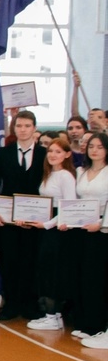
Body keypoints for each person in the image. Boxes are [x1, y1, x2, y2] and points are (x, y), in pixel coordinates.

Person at [0, 109, 45, 320]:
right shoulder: (4, 153)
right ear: (14, 128)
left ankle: (29, 304)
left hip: (36, 221)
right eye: (19, 126)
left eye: (27, 126)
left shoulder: (45, 154)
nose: (23, 130)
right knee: (9, 262)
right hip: (8, 220)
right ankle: (11, 304)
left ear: (34, 128)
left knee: (31, 262)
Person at [24, 137, 78, 332]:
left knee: (53, 271)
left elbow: (68, 206)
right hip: (46, 227)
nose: (53, 155)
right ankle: (50, 314)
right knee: (44, 269)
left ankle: (53, 315)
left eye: (58, 151)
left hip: (57, 230)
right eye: (50, 151)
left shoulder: (66, 176)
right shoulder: (49, 174)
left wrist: (47, 224)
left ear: (67, 154)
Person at [71, 134, 108, 346]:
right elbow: (74, 201)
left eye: (100, 147)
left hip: (101, 231)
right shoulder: (81, 171)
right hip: (80, 229)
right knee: (82, 275)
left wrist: (101, 223)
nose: (94, 150)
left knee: (97, 278)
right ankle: (86, 322)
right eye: (91, 146)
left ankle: (98, 325)